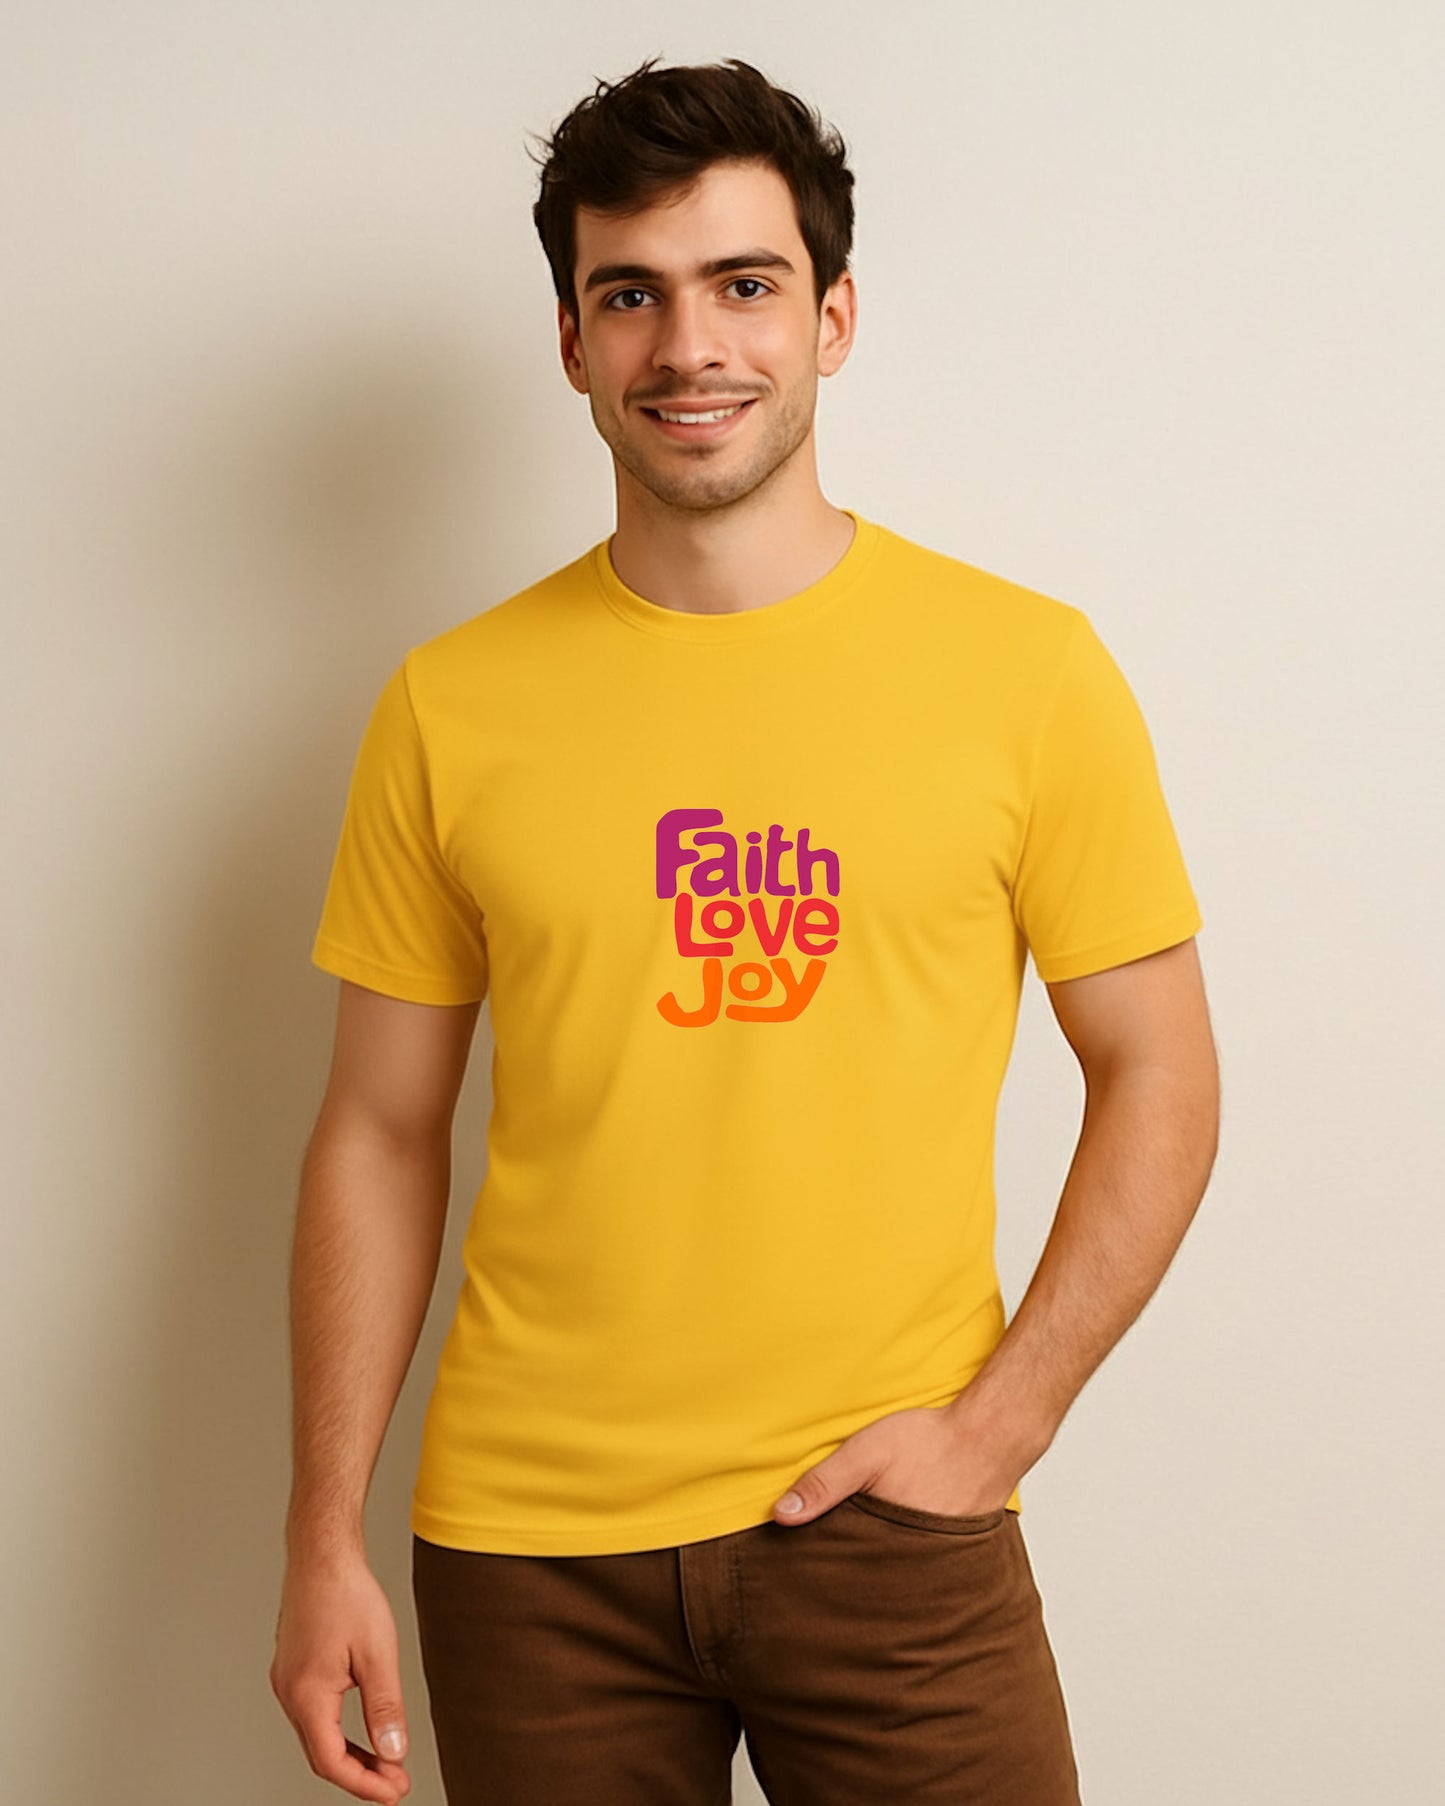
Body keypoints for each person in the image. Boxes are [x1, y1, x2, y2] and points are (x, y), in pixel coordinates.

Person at [270, 54, 1220, 1806]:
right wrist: (318, 1532)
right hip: (529, 1555)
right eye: (628, 294)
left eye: (742, 286)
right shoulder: (449, 705)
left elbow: (1156, 1066)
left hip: (891, 1527)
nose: (686, 346)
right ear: (569, 340)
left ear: (831, 316)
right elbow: (379, 1127)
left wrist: (998, 1426)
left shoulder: (1025, 675)